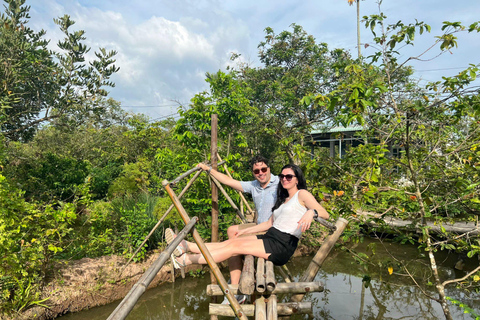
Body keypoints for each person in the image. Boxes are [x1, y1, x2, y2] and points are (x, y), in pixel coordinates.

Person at [169, 164, 329, 301]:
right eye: (282, 176)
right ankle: (187, 245)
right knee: (231, 242)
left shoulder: (302, 194)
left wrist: (312, 212)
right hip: (271, 236)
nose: (284, 179)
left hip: (282, 245)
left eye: (289, 176)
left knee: (233, 249)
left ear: (297, 179)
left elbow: (324, 213)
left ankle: (187, 260)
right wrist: (247, 231)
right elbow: (268, 223)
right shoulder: (284, 199)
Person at [196, 155, 279, 302]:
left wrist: (311, 212)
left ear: (269, 169)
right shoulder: (254, 185)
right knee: (231, 230)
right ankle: (236, 282)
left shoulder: (280, 183)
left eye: (263, 169)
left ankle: (236, 290)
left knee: (234, 244)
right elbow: (230, 181)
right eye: (257, 171)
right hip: (258, 225)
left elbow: (297, 191)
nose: (260, 173)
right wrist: (209, 169)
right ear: (253, 173)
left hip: (271, 230)